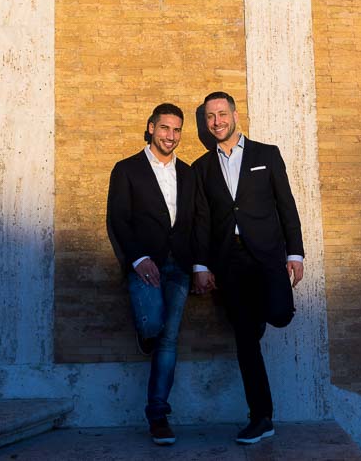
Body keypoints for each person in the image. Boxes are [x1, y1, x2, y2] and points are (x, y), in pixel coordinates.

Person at [192, 91, 304, 444]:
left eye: (222, 114)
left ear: (235, 115)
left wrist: (295, 254)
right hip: (231, 260)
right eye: (210, 117)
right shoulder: (202, 168)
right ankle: (261, 417)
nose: (217, 122)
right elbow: (203, 221)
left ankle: (260, 315)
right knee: (245, 342)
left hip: (268, 256)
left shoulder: (266, 155)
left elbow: (286, 205)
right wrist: (201, 265)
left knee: (281, 313)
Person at [106, 102, 196, 446]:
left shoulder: (188, 173)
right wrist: (138, 258)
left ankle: (158, 415)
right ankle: (145, 335)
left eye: (176, 130)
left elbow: (196, 223)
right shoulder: (127, 169)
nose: (170, 136)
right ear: (150, 127)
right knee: (153, 327)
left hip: (180, 266)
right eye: (164, 128)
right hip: (145, 264)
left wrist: (200, 264)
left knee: (169, 339)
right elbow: (118, 219)